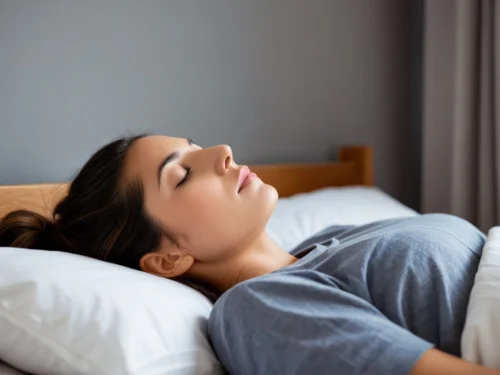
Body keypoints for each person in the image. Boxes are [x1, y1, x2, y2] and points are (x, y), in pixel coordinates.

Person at [0, 134, 496, 375]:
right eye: (182, 173)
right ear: (166, 258)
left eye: (194, 146)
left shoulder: (329, 242)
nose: (221, 151)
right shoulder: (258, 310)